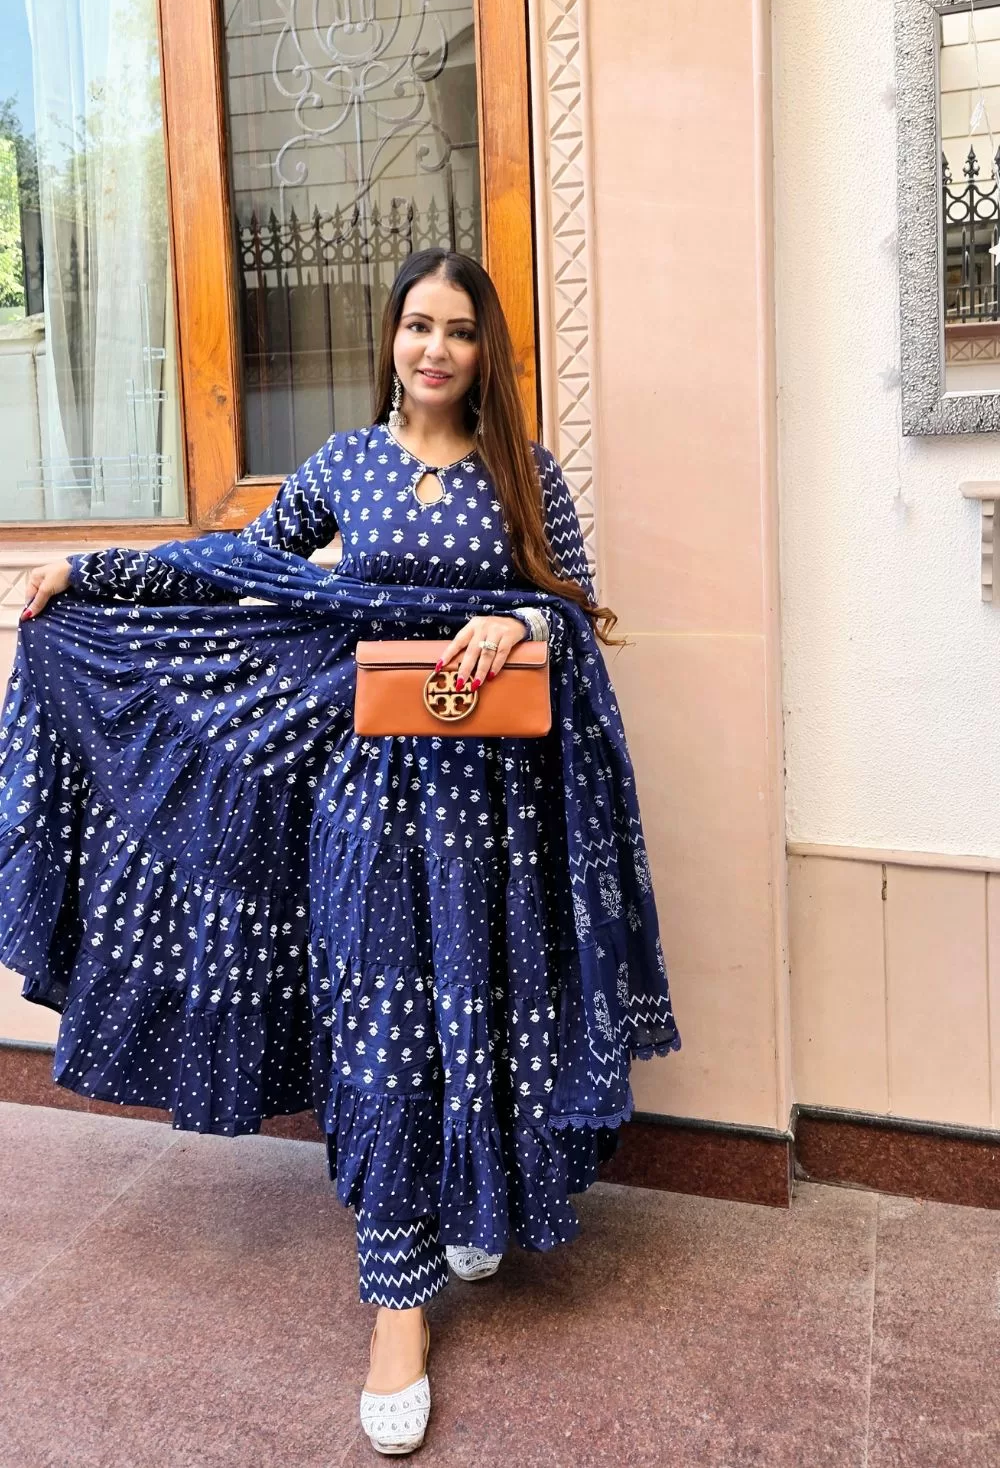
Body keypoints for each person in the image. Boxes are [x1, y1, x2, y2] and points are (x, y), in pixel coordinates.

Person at [2, 248, 681, 1456]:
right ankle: (396, 1308)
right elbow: (237, 562)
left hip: (500, 812)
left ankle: (472, 1202)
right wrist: (89, 570)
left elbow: (575, 612)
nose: (434, 349)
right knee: (382, 1030)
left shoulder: (526, 475)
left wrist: (513, 616)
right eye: (417, 325)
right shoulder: (347, 465)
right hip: (367, 801)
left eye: (458, 330)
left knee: (483, 1012)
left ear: (485, 351)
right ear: (392, 339)